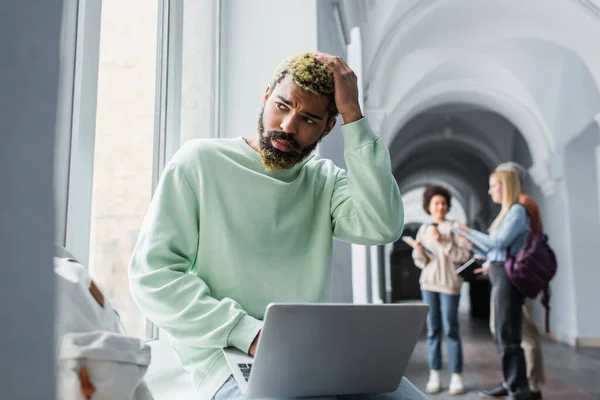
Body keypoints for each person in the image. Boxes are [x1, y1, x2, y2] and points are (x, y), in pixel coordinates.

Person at [129, 52, 427, 400]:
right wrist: (249, 333)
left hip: (315, 351)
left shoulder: (324, 182)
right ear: (267, 94)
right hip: (227, 357)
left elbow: (383, 224)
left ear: (328, 128)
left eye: (308, 118)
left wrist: (354, 116)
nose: (287, 125)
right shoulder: (198, 163)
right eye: (282, 106)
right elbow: (153, 275)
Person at [453, 170, 532, 400]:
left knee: (508, 333)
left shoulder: (517, 211)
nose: (490, 191)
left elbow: (498, 242)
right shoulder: (507, 213)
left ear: (505, 187)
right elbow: (493, 249)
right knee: (500, 333)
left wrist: (469, 230)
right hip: (498, 272)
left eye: (493, 186)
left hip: (507, 276)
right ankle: (510, 382)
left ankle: (518, 389)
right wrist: (472, 245)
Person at [483, 162, 544, 400]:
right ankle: (513, 382)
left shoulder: (523, 207)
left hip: (518, 275)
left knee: (520, 335)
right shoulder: (510, 208)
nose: (492, 190)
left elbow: (527, 243)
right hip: (505, 271)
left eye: (497, 183)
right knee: (505, 331)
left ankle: (530, 387)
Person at [412, 185, 471, 395]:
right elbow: (421, 262)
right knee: (433, 330)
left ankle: (456, 376)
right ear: (429, 206)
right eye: (436, 203)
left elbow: (464, 257)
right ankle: (434, 374)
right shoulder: (424, 228)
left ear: (448, 206)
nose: (440, 206)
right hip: (428, 284)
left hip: (450, 285)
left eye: (443, 203)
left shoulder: (456, 227)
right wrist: (419, 252)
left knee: (451, 329)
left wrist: (444, 242)